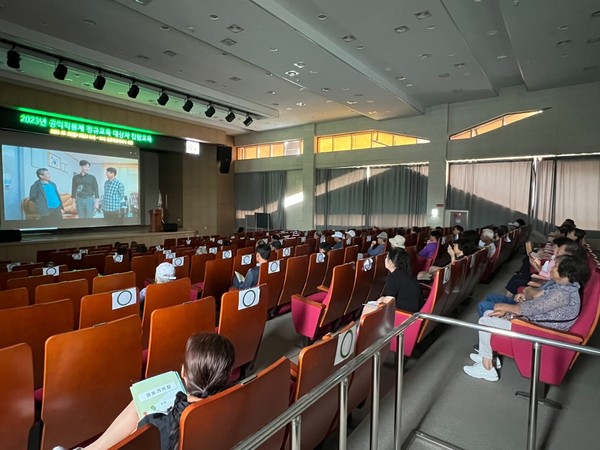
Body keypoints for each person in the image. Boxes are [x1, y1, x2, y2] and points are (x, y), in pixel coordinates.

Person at [82, 333, 235, 450]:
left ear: (183, 373)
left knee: (138, 408)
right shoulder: (234, 403)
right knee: (137, 405)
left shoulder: (156, 426)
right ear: (227, 376)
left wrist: (140, 426)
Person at [464, 254, 589, 382]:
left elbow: (529, 309)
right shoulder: (565, 287)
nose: (552, 268)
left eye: (555, 267)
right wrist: (510, 313)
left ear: (566, 273)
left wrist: (506, 309)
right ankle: (490, 358)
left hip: (538, 332)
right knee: (488, 314)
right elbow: (536, 306)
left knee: (485, 320)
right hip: (535, 324)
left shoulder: (562, 294)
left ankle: (487, 368)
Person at [380, 247, 423, 312]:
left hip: (404, 314)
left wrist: (381, 300)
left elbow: (388, 300)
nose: (385, 259)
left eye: (386, 257)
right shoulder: (406, 273)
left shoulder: (393, 277)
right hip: (416, 312)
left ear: (391, 262)